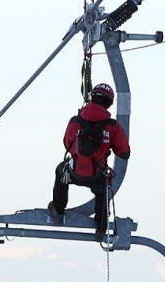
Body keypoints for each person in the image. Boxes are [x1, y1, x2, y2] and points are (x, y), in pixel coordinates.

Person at [47, 82, 131, 241]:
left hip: (74, 172)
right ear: (108, 103)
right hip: (97, 176)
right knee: (103, 188)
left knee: (61, 171)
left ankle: (58, 210)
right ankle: (101, 227)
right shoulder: (113, 127)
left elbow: (66, 143)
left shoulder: (75, 121)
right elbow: (124, 153)